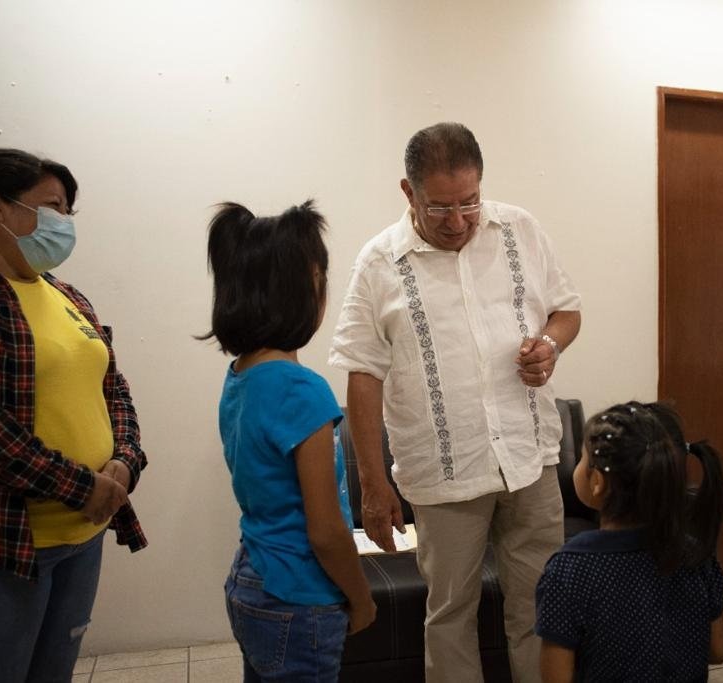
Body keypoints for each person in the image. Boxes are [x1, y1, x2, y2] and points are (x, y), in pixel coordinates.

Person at [329, 122, 581, 683]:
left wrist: (550, 344)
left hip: (529, 457)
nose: (459, 221)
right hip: (444, 472)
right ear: (408, 191)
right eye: (440, 207)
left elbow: (566, 310)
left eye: (470, 201)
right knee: (449, 615)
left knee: (540, 607)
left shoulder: (520, 229)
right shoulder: (379, 262)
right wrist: (373, 484)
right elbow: (363, 373)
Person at [0, 148, 147, 682]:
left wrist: (124, 460)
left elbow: (114, 389)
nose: (64, 223)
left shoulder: (67, 295)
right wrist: (79, 486)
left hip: (83, 534)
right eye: (53, 207)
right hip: (2, 547)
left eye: (67, 211)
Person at [202, 200, 375, 682]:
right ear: (306, 287)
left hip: (251, 578)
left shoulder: (241, 375)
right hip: (300, 596)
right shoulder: (302, 390)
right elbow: (325, 531)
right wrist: (361, 598)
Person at [535, 401, 723, 682]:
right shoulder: (695, 553)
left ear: (597, 481)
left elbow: (556, 678)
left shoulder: (569, 569)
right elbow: (718, 650)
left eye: (582, 459)